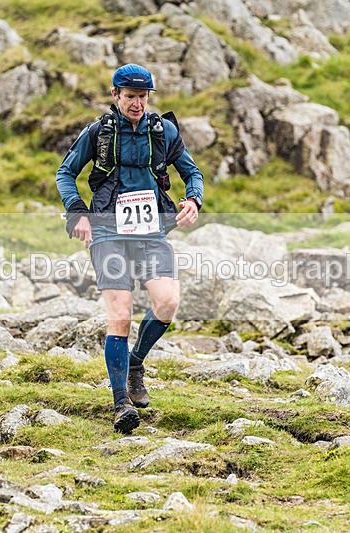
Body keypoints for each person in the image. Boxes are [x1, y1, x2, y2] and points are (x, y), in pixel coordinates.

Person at [56, 64, 204, 434]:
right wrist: (79, 214)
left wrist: (194, 199)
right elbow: (65, 173)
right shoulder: (98, 132)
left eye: (143, 97)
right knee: (120, 314)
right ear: (115, 95)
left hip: (151, 232)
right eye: (130, 97)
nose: (137, 103)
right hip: (107, 231)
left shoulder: (163, 131)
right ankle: (121, 401)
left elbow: (192, 172)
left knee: (167, 302)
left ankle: (136, 361)